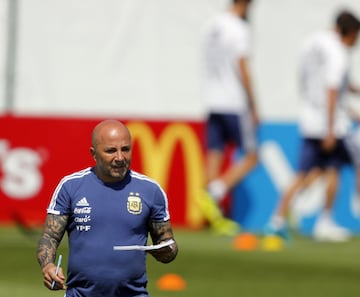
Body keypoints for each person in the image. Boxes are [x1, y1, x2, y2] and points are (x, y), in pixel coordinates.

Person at [36, 119, 178, 296]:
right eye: (111, 151)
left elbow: (167, 244)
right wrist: (48, 265)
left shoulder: (151, 191)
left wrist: (167, 251)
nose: (120, 157)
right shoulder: (70, 187)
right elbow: (49, 236)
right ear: (93, 154)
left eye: (125, 149)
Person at [265, 10, 360, 242]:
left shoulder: (312, 43)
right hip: (331, 125)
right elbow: (331, 88)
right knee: (339, 168)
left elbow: (313, 82)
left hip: (310, 118)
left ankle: (276, 219)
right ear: (349, 33)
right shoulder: (338, 52)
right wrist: (331, 126)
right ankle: (325, 221)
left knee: (307, 172)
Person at [200, 0, 259, 236]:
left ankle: (211, 218)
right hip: (234, 101)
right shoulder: (239, 28)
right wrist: (254, 104)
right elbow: (242, 65)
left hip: (212, 99)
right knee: (253, 156)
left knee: (215, 153)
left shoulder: (211, 25)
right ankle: (213, 193)